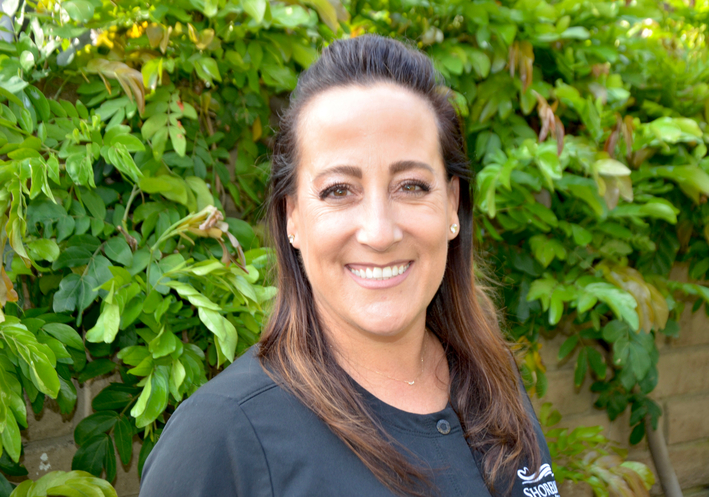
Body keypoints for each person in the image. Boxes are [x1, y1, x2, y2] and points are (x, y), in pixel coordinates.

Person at [139, 35, 558, 497]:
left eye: (412, 186)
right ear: (292, 216)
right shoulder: (222, 438)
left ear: (453, 206)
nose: (379, 233)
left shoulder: (492, 379)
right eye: (339, 190)